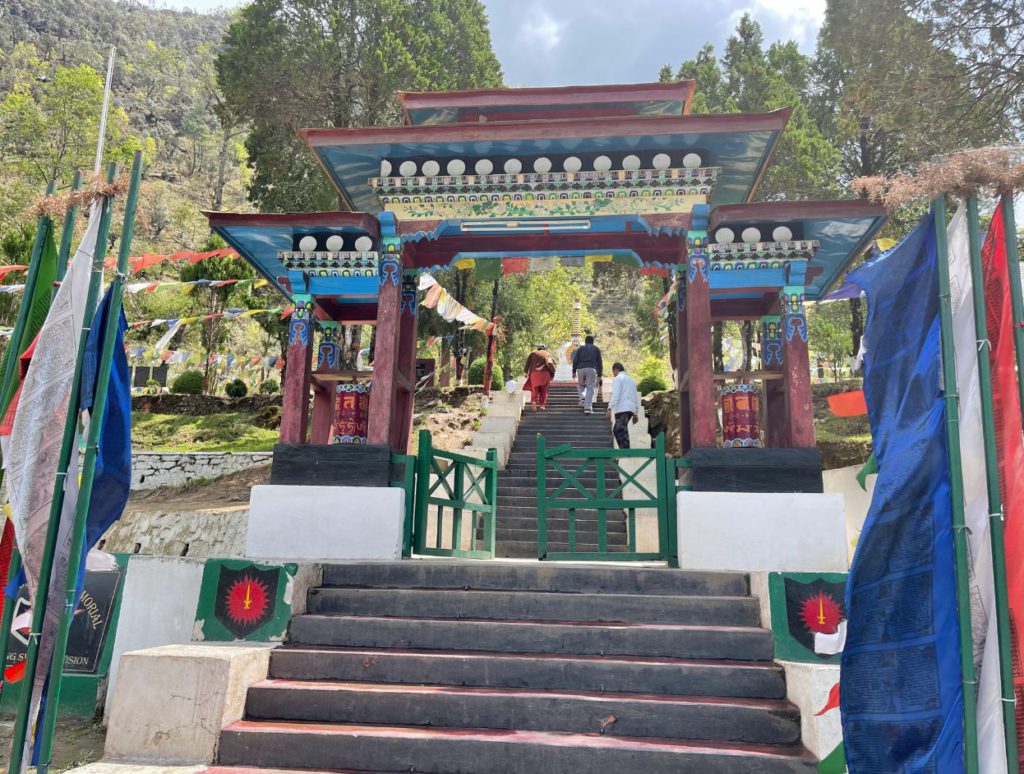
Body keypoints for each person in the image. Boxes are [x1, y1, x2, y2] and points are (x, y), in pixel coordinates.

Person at [606, 362, 640, 448]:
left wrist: (609, 408)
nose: (613, 374)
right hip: (630, 409)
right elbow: (635, 397)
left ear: (615, 370)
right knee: (622, 429)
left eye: (613, 372)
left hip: (623, 408)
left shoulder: (618, 379)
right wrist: (635, 413)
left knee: (618, 429)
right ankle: (625, 452)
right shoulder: (632, 381)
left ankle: (625, 452)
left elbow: (615, 395)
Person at [571, 334, 602, 414]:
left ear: (585, 341)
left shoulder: (580, 349)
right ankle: (587, 408)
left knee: (581, 385)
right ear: (593, 341)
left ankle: (582, 397)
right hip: (591, 369)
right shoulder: (596, 349)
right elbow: (599, 363)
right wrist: (599, 374)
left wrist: (574, 371)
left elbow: (575, 361)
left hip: (580, 369)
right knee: (590, 387)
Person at [523, 344, 556, 412]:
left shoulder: (533, 353)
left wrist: (526, 372)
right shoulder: (547, 354)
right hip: (545, 374)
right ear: (545, 349)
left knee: (534, 389)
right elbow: (551, 363)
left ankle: (534, 402)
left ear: (538, 349)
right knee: (544, 390)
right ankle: (542, 405)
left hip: (534, 374)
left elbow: (527, 363)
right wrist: (552, 373)